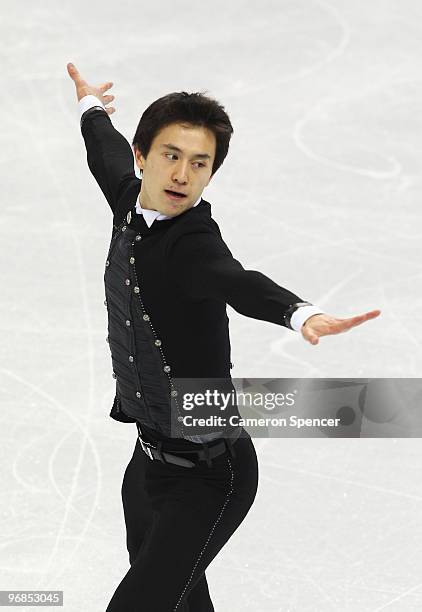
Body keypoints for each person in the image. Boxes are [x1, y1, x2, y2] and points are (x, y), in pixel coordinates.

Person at [67, 62, 381, 612]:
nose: (183, 175)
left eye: (200, 163)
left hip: (211, 475)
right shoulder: (128, 197)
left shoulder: (192, 243)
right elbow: (104, 149)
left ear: (211, 174)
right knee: (184, 601)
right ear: (143, 158)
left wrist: (297, 312)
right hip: (145, 468)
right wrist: (91, 106)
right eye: (171, 156)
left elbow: (236, 281)